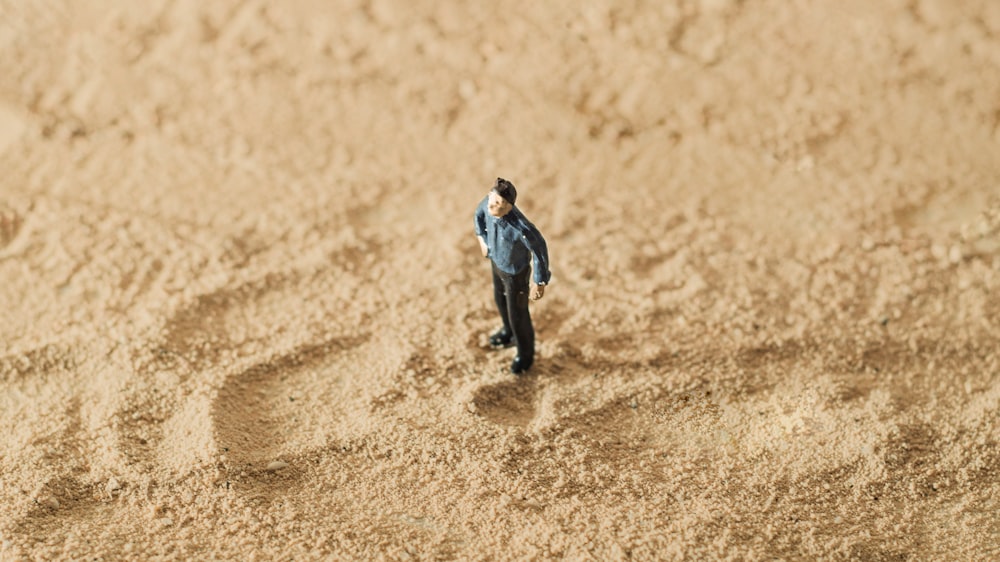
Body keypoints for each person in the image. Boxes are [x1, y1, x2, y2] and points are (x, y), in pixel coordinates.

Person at [474, 178, 551, 374]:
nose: (492, 204)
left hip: (516, 274)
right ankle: (507, 332)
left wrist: (539, 282)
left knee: (518, 314)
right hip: (496, 263)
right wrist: (482, 240)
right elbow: (478, 216)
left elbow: (539, 250)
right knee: (499, 300)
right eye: (493, 198)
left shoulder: (521, 228)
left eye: (498, 203)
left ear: (508, 207)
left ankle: (525, 354)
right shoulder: (487, 205)